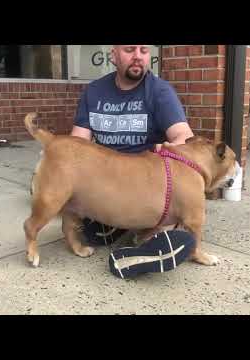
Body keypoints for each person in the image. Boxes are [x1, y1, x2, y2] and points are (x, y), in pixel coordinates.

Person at [70, 45, 195, 277]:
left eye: (144, 50)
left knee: (179, 237)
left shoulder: (159, 91)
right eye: (129, 49)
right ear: (113, 55)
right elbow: (77, 145)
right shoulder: (94, 91)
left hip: (147, 187)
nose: (138, 56)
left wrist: (163, 149)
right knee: (89, 233)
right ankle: (130, 232)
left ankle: (145, 243)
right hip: (107, 186)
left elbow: (184, 138)